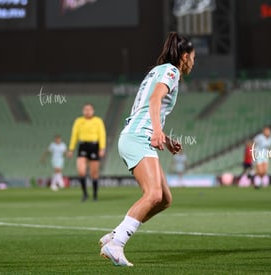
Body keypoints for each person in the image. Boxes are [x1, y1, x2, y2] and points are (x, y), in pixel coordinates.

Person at [99, 32, 195, 267]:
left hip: (136, 134)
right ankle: (116, 243)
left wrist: (165, 137)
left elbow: (148, 107)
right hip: (137, 138)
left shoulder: (158, 70)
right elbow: (154, 101)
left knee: (164, 199)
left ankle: (115, 234)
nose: (194, 62)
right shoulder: (171, 72)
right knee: (153, 195)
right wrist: (156, 132)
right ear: (184, 56)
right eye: (193, 57)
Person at [67, 103, 106, 202]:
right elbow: (74, 135)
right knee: (81, 171)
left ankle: (95, 195)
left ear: (93, 111)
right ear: (83, 111)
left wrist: (102, 148)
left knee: (94, 173)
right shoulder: (79, 121)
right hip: (83, 146)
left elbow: (102, 134)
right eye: (86, 109)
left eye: (89, 109)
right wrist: (71, 149)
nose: (87, 111)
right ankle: (85, 194)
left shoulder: (98, 121)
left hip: (94, 146)